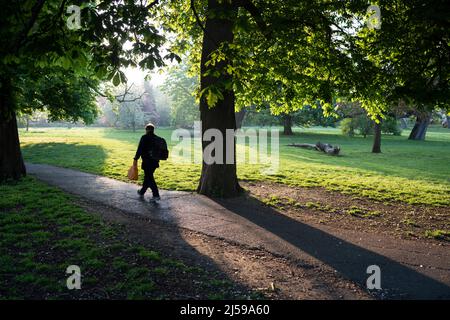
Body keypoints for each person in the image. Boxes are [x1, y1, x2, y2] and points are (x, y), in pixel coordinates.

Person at [134, 123, 160, 202]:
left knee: (149, 177)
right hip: (155, 162)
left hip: (147, 161)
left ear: (147, 130)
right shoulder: (157, 138)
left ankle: (156, 195)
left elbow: (140, 149)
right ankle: (142, 191)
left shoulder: (144, 137)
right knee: (148, 176)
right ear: (153, 130)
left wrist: (136, 158)